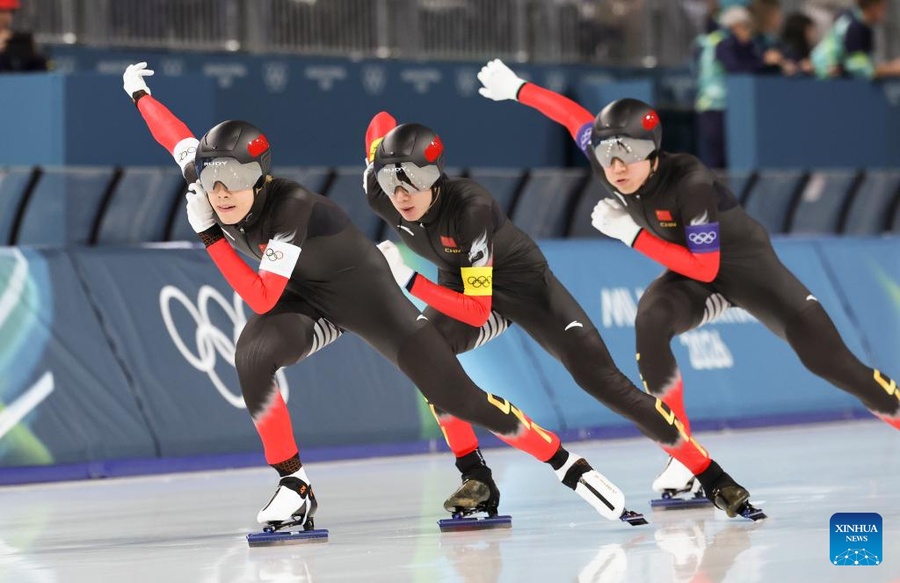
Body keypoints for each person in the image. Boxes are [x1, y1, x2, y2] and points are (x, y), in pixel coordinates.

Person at [121, 62, 649, 531]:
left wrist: (211, 238)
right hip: (303, 298)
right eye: (211, 180)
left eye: (234, 180)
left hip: (366, 297)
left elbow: (260, 297)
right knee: (253, 355)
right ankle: (294, 487)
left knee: (456, 395)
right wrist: (140, 97)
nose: (220, 192)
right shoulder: (208, 178)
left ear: (262, 180)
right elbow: (178, 140)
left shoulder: (290, 207)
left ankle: (566, 465)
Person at [475, 58, 900, 499]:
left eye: (629, 154)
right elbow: (572, 117)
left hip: (746, 271)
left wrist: (632, 234)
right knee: (651, 320)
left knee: (833, 364)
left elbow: (707, 268)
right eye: (606, 154)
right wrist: (520, 88)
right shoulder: (607, 157)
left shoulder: (689, 180)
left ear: (654, 154)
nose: (616, 166)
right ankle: (684, 457)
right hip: (695, 275)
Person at [362, 113, 759, 519]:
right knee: (425, 355)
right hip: (462, 286)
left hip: (530, 294)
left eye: (411, 179)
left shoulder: (470, 209)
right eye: (390, 181)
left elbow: (478, 311)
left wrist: (411, 281)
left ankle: (712, 476)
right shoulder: (380, 192)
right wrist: (382, 144)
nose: (401, 194)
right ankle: (475, 476)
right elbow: (378, 127)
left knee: (606, 384)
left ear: (435, 175)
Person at [693, 6, 786, 168]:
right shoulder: (723, 43)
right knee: (717, 158)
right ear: (736, 26)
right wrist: (764, 61)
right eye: (747, 27)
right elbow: (736, 67)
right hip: (715, 106)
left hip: (717, 106)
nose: (749, 33)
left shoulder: (715, 41)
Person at [811, 0, 900, 79]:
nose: (885, 12)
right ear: (873, 7)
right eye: (883, 7)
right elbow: (858, 68)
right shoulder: (854, 27)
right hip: (821, 78)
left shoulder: (863, 26)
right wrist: (891, 68)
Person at [0, 0, 48, 73]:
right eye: (2, 12)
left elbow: (40, 71)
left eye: (11, 12)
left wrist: (32, 54)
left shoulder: (17, 41)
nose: (6, 18)